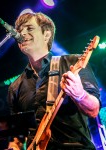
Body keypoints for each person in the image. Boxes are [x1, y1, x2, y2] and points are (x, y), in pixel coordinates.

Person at [6, 11, 101, 150]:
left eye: (29, 28)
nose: (22, 33)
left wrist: (79, 94)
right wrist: (14, 146)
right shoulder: (15, 87)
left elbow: (93, 110)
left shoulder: (73, 63)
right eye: (19, 30)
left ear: (47, 34)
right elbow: (18, 136)